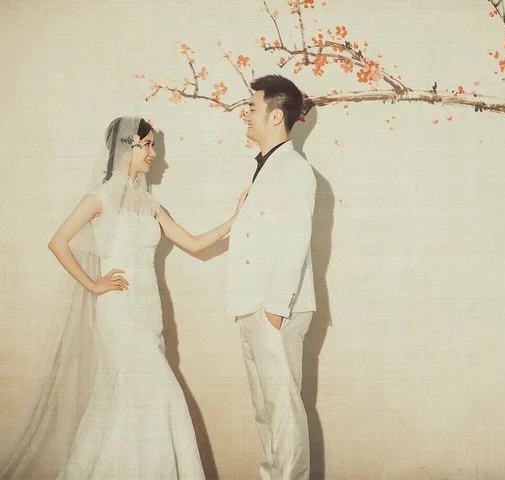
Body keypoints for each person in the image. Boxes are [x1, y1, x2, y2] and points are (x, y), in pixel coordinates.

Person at [0, 116, 247, 480]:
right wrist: (93, 284)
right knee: (160, 391)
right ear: (126, 147)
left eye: (152, 145)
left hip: (149, 312)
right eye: (146, 145)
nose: (153, 153)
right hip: (118, 312)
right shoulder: (99, 198)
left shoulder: (150, 203)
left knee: (132, 402)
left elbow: (194, 244)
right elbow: (58, 242)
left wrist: (234, 220)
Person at [226, 75, 317, 480]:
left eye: (252, 106)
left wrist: (276, 310)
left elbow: (294, 241)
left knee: (284, 415)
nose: (245, 113)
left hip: (275, 310)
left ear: (276, 115)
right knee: (265, 414)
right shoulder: (265, 168)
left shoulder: (294, 169)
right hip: (252, 306)